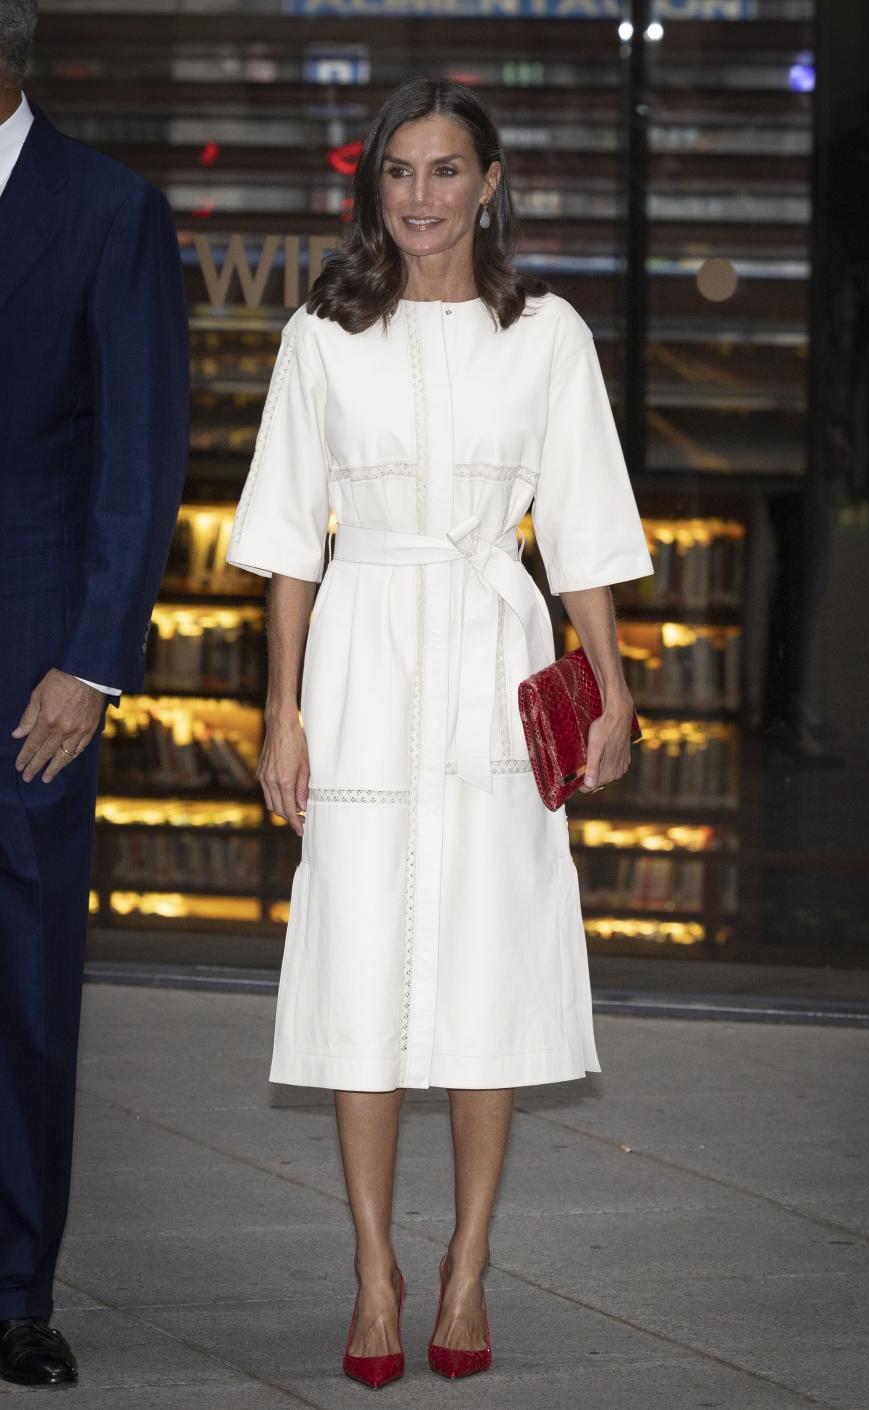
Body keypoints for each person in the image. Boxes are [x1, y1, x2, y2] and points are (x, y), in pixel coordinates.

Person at [227, 76, 652, 1387]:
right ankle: (372, 1267)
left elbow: (579, 527)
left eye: (445, 169)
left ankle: (466, 1260)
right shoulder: (321, 336)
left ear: (489, 181)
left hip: (492, 657)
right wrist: (282, 707)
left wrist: (613, 681)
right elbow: (291, 543)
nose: (421, 195)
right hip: (359, 660)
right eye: (398, 172)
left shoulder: (548, 334)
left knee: (488, 969)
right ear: (376, 189)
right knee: (358, 967)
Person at [0, 2, 189, 1388]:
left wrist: (92, 659)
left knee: (24, 985)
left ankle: (15, 1288)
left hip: (32, 670)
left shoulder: (111, 211)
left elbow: (142, 452)